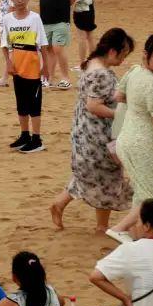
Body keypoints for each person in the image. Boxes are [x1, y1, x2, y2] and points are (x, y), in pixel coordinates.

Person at [51, 28, 136, 234]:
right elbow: (94, 105)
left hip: (83, 130)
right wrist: (121, 115)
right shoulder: (101, 73)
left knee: (88, 176)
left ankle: (60, 204)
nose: (124, 59)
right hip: (97, 135)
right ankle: (101, 226)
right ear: (113, 51)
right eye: (123, 54)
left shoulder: (90, 64)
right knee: (106, 177)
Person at [106, 33, 153, 243]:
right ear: (146, 54)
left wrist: (136, 106)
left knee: (145, 189)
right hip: (142, 145)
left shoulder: (134, 71)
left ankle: (141, 233)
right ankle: (120, 229)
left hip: (125, 141)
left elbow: (118, 97)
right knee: (152, 194)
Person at [0, 0, 48, 153]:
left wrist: (46, 67)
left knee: (34, 104)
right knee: (21, 103)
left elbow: (42, 43)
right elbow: (5, 44)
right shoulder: (7, 19)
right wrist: (8, 63)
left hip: (33, 67)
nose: (19, 1)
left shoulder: (35, 18)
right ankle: (25, 134)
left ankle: (37, 139)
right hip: (17, 66)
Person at [37, 0, 78, 90]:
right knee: (48, 50)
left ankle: (65, 78)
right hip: (45, 21)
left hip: (61, 20)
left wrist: (62, 8)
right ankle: (47, 79)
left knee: (58, 48)